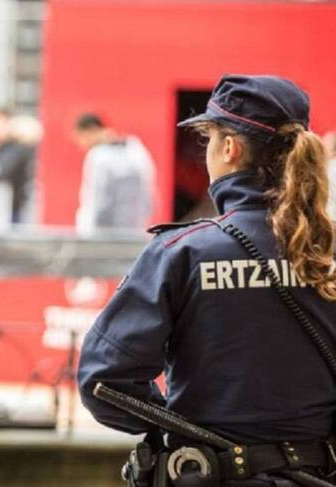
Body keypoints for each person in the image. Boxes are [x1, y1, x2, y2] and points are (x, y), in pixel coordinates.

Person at [78, 75, 336, 485]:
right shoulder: (327, 253)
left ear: (230, 148)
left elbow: (103, 379)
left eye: (209, 139)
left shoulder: (182, 252)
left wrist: (180, 427)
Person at [73, 113, 155, 234]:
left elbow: (96, 200)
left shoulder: (98, 156)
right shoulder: (136, 150)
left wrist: (88, 230)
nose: (81, 143)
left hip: (102, 233)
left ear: (92, 129)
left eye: (81, 137)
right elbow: (148, 195)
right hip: (134, 230)